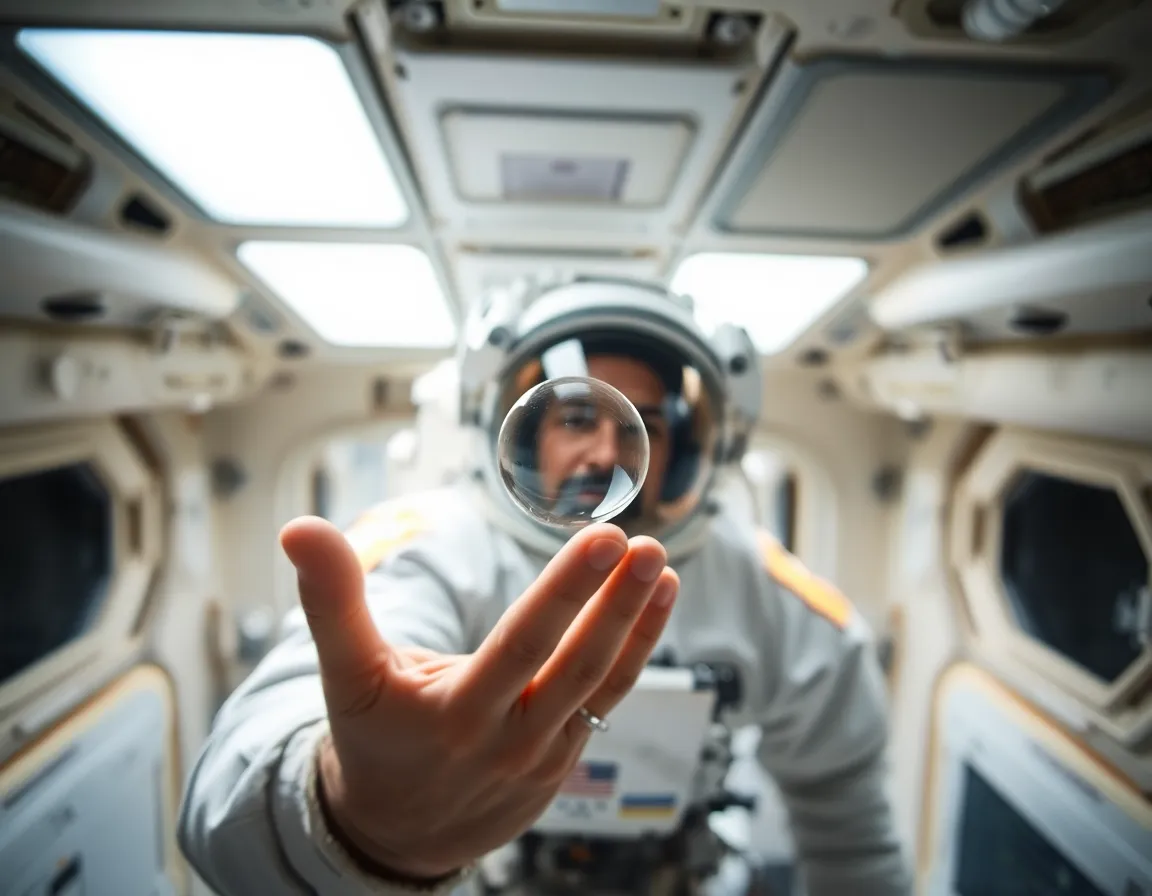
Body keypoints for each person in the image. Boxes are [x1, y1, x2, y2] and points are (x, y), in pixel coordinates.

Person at [177, 276, 910, 895]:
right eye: (578, 416)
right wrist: (345, 815)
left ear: (685, 449)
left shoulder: (765, 591)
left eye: (642, 425)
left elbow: (851, 825)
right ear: (526, 434)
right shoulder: (430, 549)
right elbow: (229, 793)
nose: (607, 449)